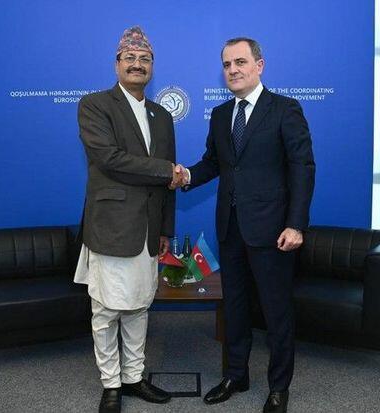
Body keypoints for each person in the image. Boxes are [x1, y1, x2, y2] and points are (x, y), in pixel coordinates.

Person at [173, 37, 315, 413]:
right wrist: (187, 175)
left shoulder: (285, 109)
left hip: (273, 231)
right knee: (234, 308)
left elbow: (302, 168)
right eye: (227, 64)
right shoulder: (222, 115)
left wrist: (296, 225)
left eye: (240, 62)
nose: (233, 70)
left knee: (276, 311)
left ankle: (279, 387)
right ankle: (236, 375)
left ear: (259, 65)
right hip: (231, 228)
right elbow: (215, 163)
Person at [74, 26, 181, 413]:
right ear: (117, 64)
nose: (138, 64)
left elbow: (167, 182)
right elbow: (110, 159)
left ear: (152, 67)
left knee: (138, 307)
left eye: (145, 59)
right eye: (130, 58)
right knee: (105, 311)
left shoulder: (162, 115)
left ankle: (134, 377)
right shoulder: (95, 105)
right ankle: (111, 383)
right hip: (111, 226)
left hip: (149, 229)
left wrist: (166, 228)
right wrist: (168, 170)